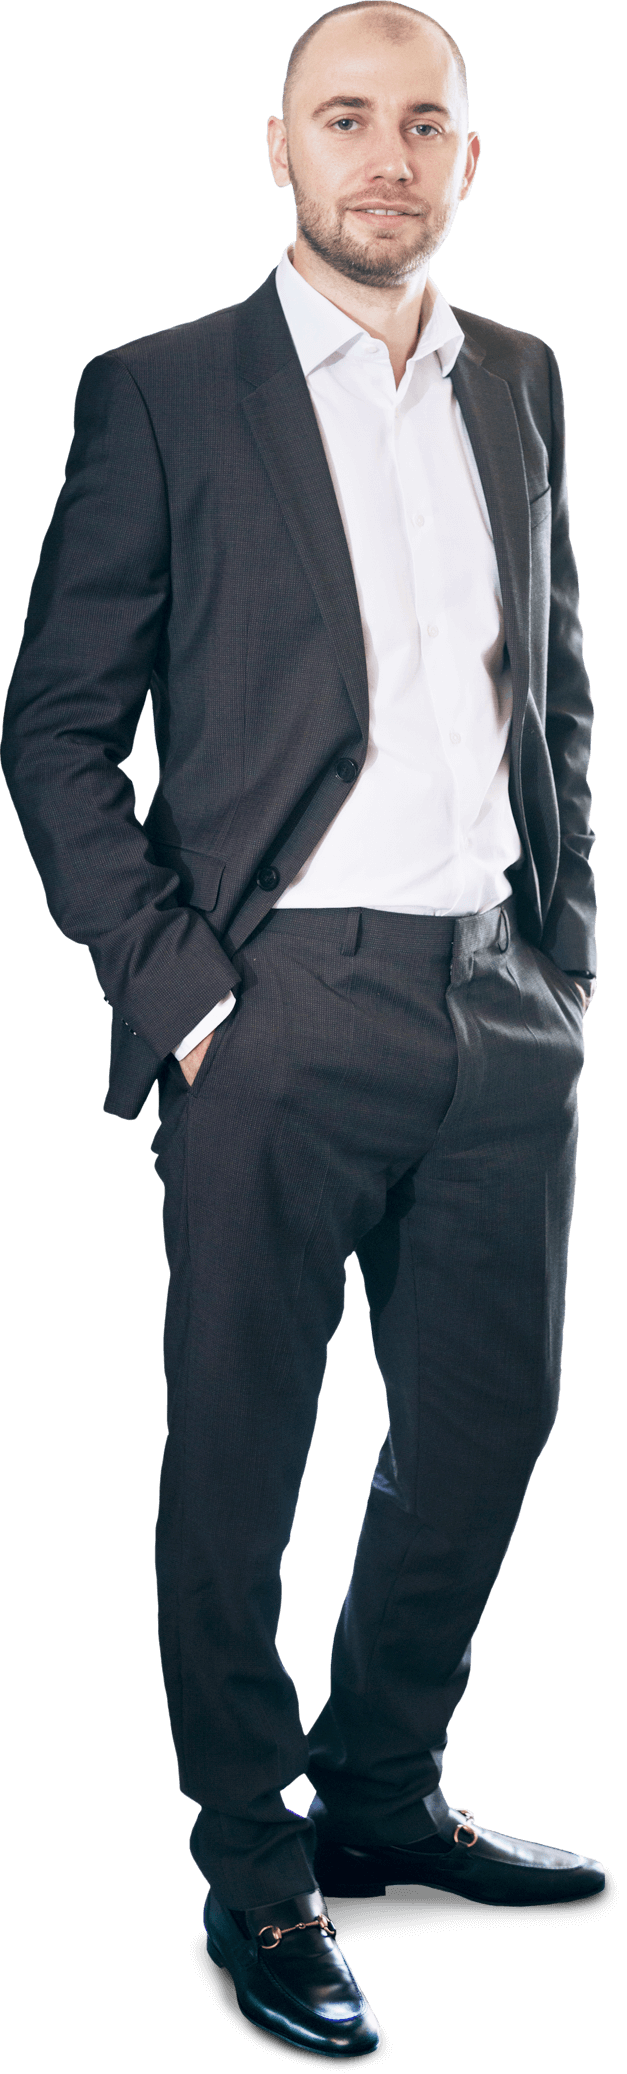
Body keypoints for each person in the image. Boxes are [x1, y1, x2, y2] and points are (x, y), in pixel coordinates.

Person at [0, 1, 604, 2058]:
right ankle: (255, 1868)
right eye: (346, 118)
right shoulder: (165, 391)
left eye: (422, 124)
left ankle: (383, 1789)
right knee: (243, 1459)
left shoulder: (515, 377)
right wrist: (187, 1000)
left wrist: (566, 957)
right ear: (278, 145)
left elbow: (554, 692)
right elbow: (58, 731)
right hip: (278, 1009)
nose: (384, 156)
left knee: (489, 1424)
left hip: (496, 1005)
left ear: (466, 157)